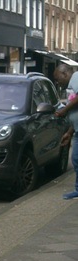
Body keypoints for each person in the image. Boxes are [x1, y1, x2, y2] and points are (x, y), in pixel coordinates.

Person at [53, 64, 78, 199]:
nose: (58, 82)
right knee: (75, 158)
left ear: (65, 73)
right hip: (76, 130)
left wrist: (64, 110)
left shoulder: (76, 77)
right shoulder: (72, 85)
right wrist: (69, 132)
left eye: (58, 79)